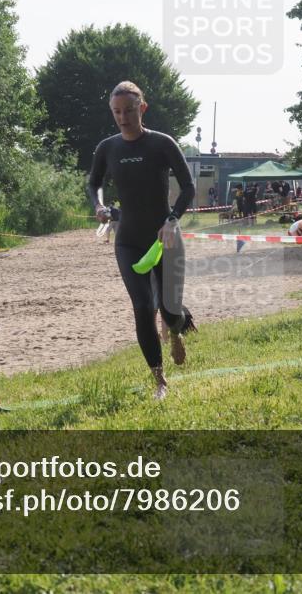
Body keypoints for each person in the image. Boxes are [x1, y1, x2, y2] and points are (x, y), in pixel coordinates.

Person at [89, 81, 196, 400]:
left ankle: (177, 330)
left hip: (166, 238)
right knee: (142, 306)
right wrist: (98, 205)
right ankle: (159, 380)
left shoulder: (161, 144)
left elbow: (188, 187)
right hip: (129, 241)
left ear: (142, 109)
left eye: (129, 111)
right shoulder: (108, 148)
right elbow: (93, 183)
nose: (123, 117)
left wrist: (172, 219)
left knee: (169, 308)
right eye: (117, 112)